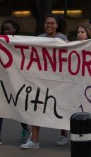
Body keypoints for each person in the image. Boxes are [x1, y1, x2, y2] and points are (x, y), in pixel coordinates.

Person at [21, 14, 69, 149]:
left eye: (52, 23)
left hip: (58, 80)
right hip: (41, 79)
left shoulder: (62, 38)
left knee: (59, 108)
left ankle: (64, 134)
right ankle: (34, 140)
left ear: (57, 25)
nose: (49, 26)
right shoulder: (40, 38)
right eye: (47, 23)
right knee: (36, 107)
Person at [0, 19, 30, 146]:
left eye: (8, 29)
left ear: (15, 29)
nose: (6, 31)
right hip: (4, 80)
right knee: (0, 106)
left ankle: (26, 129)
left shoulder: (21, 41)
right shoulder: (0, 43)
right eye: (4, 29)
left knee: (19, 105)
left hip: (19, 80)